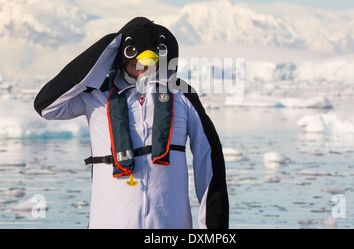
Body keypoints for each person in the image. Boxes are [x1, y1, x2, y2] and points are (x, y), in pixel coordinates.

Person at [34, 17, 229, 229]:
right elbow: (47, 106)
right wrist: (107, 47)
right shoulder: (96, 96)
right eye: (135, 59)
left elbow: (209, 159)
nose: (143, 67)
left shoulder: (181, 94)